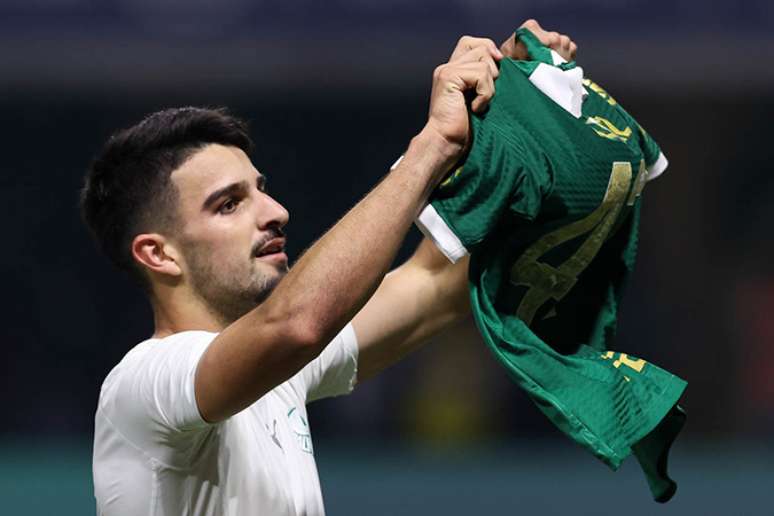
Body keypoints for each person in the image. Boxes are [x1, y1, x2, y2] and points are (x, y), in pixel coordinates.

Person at [83, 20, 576, 515]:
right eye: (229, 204)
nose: (275, 211)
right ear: (158, 254)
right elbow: (297, 323)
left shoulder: (279, 378)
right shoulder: (143, 384)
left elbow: (436, 282)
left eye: (260, 188)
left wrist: (517, 111)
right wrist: (433, 145)